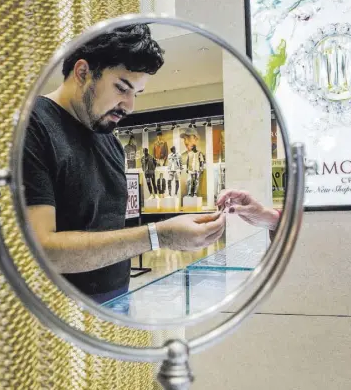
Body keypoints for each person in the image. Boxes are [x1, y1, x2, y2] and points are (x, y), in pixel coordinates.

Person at [22, 24, 226, 304]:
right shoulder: (32, 126)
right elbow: (41, 249)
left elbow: (109, 233)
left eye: (136, 93)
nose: (129, 106)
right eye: (121, 88)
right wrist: (159, 235)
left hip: (117, 303)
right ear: (82, 73)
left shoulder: (110, 140)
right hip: (59, 316)